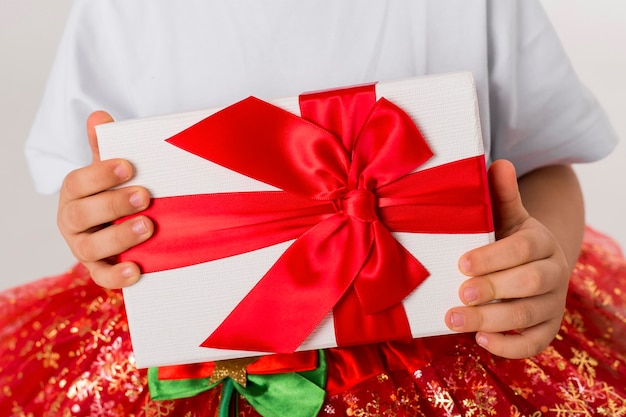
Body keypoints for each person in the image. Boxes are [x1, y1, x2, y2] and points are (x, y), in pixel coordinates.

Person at [2, 0, 625, 415]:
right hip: (188, 365)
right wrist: (90, 225)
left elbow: (541, 164)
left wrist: (543, 268)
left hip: (455, 351)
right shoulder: (122, 11)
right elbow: (87, 187)